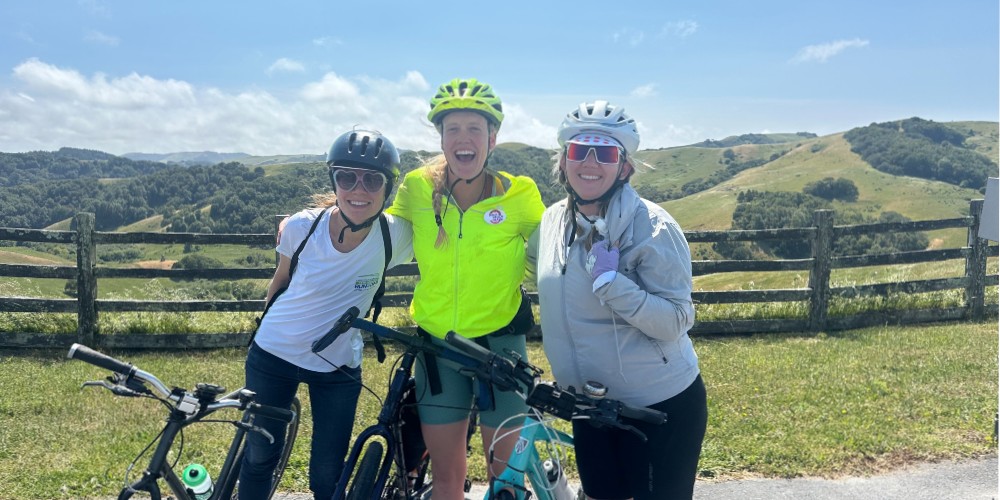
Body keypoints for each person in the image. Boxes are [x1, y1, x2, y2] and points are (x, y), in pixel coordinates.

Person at [529, 101, 708, 500]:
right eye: (579, 150)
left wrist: (612, 285)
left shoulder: (654, 226)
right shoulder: (552, 221)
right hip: (589, 406)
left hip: (655, 406)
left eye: (605, 152)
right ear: (563, 161)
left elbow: (677, 319)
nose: (590, 162)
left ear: (624, 167)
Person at [386, 78, 544, 499]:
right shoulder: (418, 188)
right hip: (438, 349)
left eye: (474, 128)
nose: (463, 138)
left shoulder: (519, 195)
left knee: (506, 480)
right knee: (446, 478)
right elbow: (375, 228)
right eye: (452, 129)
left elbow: (558, 247)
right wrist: (311, 221)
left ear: (492, 138)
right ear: (440, 138)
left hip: (501, 346)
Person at [240, 129, 413, 500]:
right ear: (334, 180)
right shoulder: (302, 227)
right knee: (259, 457)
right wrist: (258, 331)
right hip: (274, 354)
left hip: (336, 367)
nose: (358, 189)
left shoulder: (395, 236)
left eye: (372, 180)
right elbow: (280, 282)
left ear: (389, 188)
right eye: (346, 177)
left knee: (328, 474)